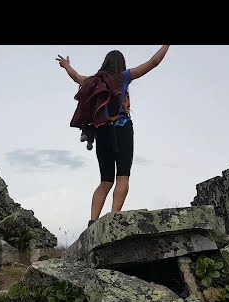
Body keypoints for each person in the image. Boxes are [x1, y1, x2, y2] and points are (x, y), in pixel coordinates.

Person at [56, 45, 170, 228]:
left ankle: (93, 222)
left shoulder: (94, 81)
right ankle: (114, 217)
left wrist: (67, 66)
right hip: (122, 129)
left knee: (105, 180)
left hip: (102, 133)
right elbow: (153, 62)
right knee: (123, 176)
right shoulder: (123, 77)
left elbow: (77, 78)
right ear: (121, 65)